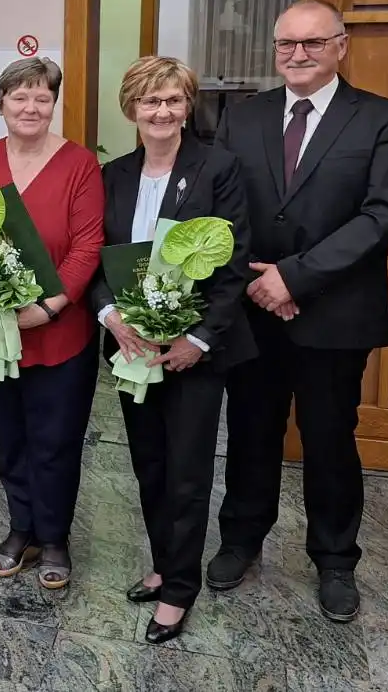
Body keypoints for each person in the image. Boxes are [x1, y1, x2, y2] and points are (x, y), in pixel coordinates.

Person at [210, 0, 388, 623]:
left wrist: (293, 279)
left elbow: (382, 215)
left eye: (312, 43)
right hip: (252, 306)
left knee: (328, 439)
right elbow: (222, 206)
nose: (297, 55)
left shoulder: (381, 119)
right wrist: (257, 281)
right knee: (249, 433)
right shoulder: (243, 117)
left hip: (333, 311)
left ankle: (334, 560)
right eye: (286, 44)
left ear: (340, 46)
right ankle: (241, 541)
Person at [89, 56, 255, 644]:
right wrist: (112, 318)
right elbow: (97, 259)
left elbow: (234, 266)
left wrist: (197, 338)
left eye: (173, 101)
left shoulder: (220, 169)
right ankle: (164, 564)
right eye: (150, 101)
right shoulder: (113, 175)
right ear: (131, 108)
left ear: (188, 106)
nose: (162, 112)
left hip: (194, 352)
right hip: (132, 347)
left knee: (186, 473)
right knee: (149, 465)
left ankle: (180, 590)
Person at [0, 56, 104, 590]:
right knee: (10, 437)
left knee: (56, 441)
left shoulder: (79, 164)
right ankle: (22, 529)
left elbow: (87, 247)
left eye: (42, 97)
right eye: (20, 96)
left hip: (59, 334)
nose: (31, 106)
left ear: (53, 104)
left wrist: (47, 309)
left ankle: (54, 538)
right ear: (1, 104)